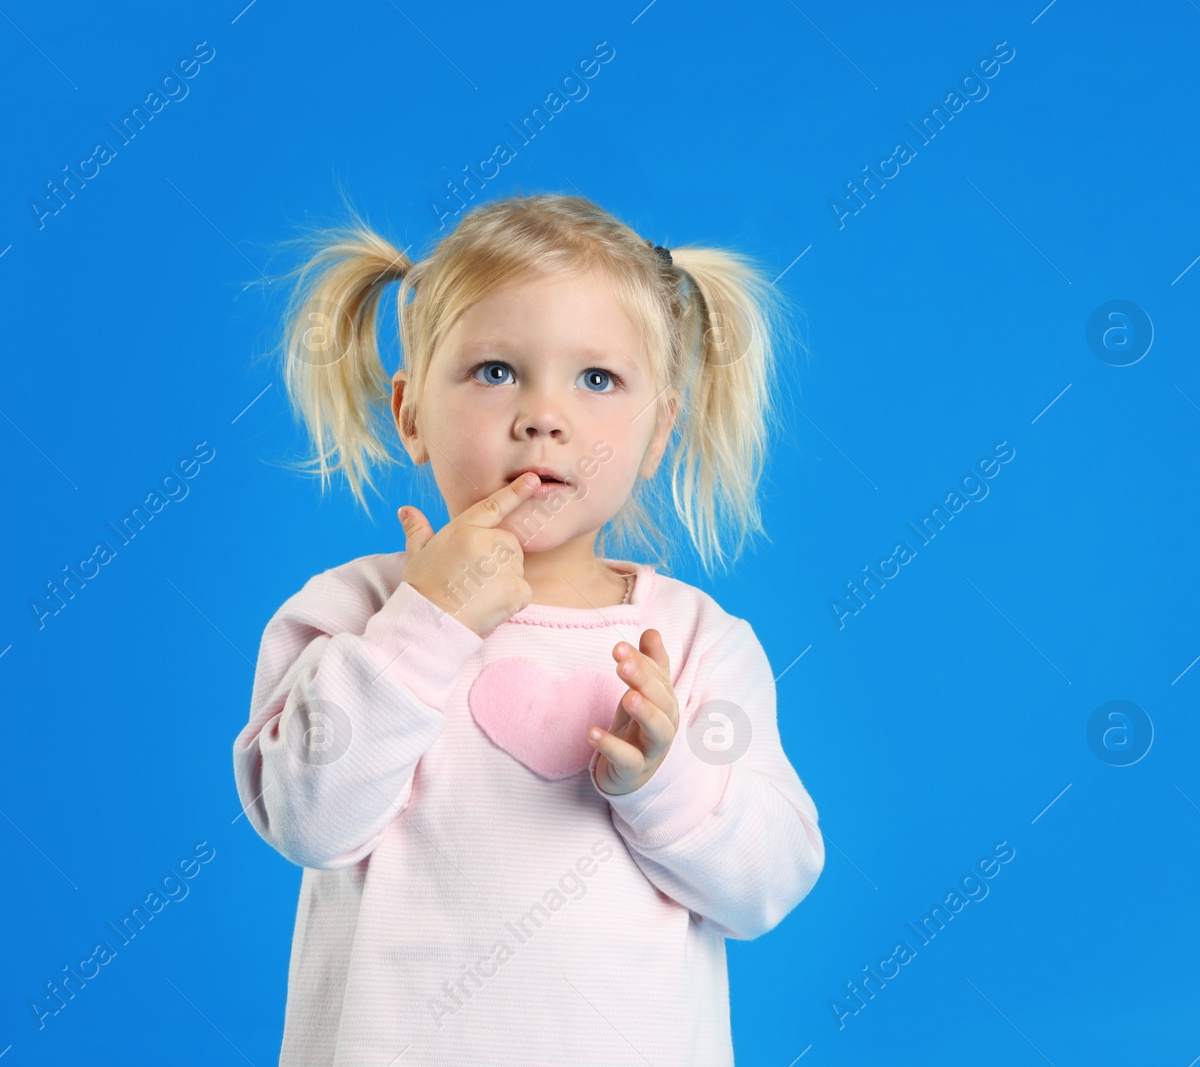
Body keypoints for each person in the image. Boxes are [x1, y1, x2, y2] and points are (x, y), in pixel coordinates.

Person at [232, 192, 824, 1065]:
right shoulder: (352, 615)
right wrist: (427, 624)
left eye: (596, 379)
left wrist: (666, 779)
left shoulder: (696, 642)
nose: (543, 415)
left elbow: (766, 885)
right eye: (496, 371)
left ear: (657, 432)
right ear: (409, 413)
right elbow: (308, 821)